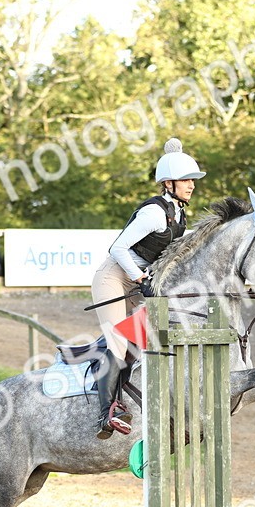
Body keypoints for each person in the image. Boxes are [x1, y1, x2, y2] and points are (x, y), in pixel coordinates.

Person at [89, 137, 204, 438]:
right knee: (119, 341)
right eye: (185, 180)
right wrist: (141, 279)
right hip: (114, 277)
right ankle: (106, 414)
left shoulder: (178, 213)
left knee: (147, 337)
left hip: (138, 279)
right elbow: (118, 247)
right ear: (168, 184)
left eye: (192, 180)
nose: (191, 185)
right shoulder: (154, 213)